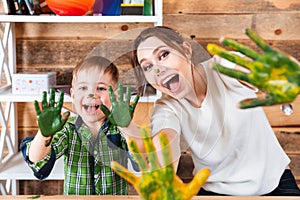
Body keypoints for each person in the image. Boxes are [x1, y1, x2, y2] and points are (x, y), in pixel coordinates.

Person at [119, 26, 300, 196]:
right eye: (147, 67)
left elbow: (252, 73)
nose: (158, 69)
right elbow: (165, 140)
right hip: (215, 194)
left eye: (164, 54)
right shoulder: (166, 107)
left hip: (276, 184)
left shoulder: (222, 67)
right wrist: (162, 176)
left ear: (187, 50)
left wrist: (275, 75)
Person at [20, 56, 138, 195]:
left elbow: (142, 161)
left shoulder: (120, 128)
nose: (91, 94)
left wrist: (127, 128)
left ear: (115, 96)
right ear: (73, 95)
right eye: (83, 87)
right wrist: (44, 135)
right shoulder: (68, 128)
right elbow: (38, 162)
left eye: (100, 88)